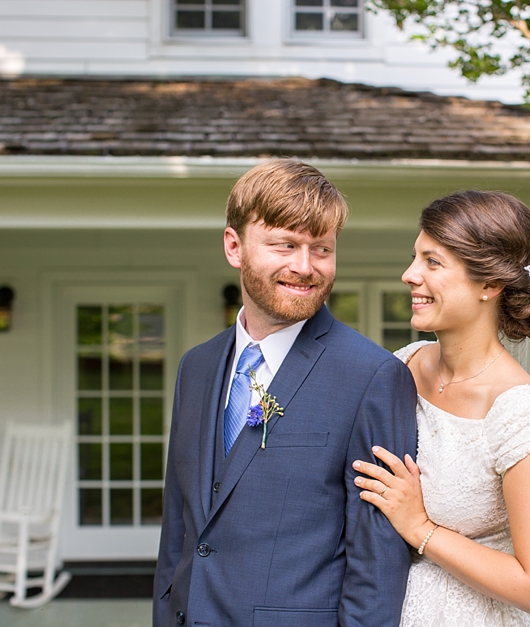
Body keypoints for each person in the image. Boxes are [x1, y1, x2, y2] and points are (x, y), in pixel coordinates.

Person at [153, 159, 419, 627]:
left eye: (321, 249)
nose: (304, 267)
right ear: (234, 247)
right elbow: (181, 521)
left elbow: (376, 561)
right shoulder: (195, 367)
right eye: (285, 245)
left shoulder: (372, 375)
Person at [353, 190, 530, 627]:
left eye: (432, 262)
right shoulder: (403, 364)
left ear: (490, 285)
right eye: (415, 258)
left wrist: (420, 527)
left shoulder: (518, 411)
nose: (409, 274)